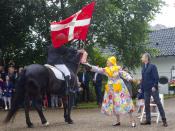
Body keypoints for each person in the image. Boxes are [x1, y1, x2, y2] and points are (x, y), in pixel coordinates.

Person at [84, 56, 136, 127]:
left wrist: (129, 78)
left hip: (119, 88)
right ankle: (118, 121)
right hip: (111, 89)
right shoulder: (106, 69)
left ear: (111, 62)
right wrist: (88, 65)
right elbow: (98, 69)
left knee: (125, 102)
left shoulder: (117, 68)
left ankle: (132, 120)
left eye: (108, 61)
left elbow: (124, 73)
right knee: (114, 103)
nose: (106, 62)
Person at [139, 53, 168, 127]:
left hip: (153, 89)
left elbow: (156, 77)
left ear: (146, 58)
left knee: (158, 103)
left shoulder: (152, 66)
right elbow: (143, 79)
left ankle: (164, 120)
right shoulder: (143, 67)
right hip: (145, 89)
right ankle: (148, 120)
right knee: (147, 104)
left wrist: (154, 86)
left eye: (142, 57)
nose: (141, 58)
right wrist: (141, 88)